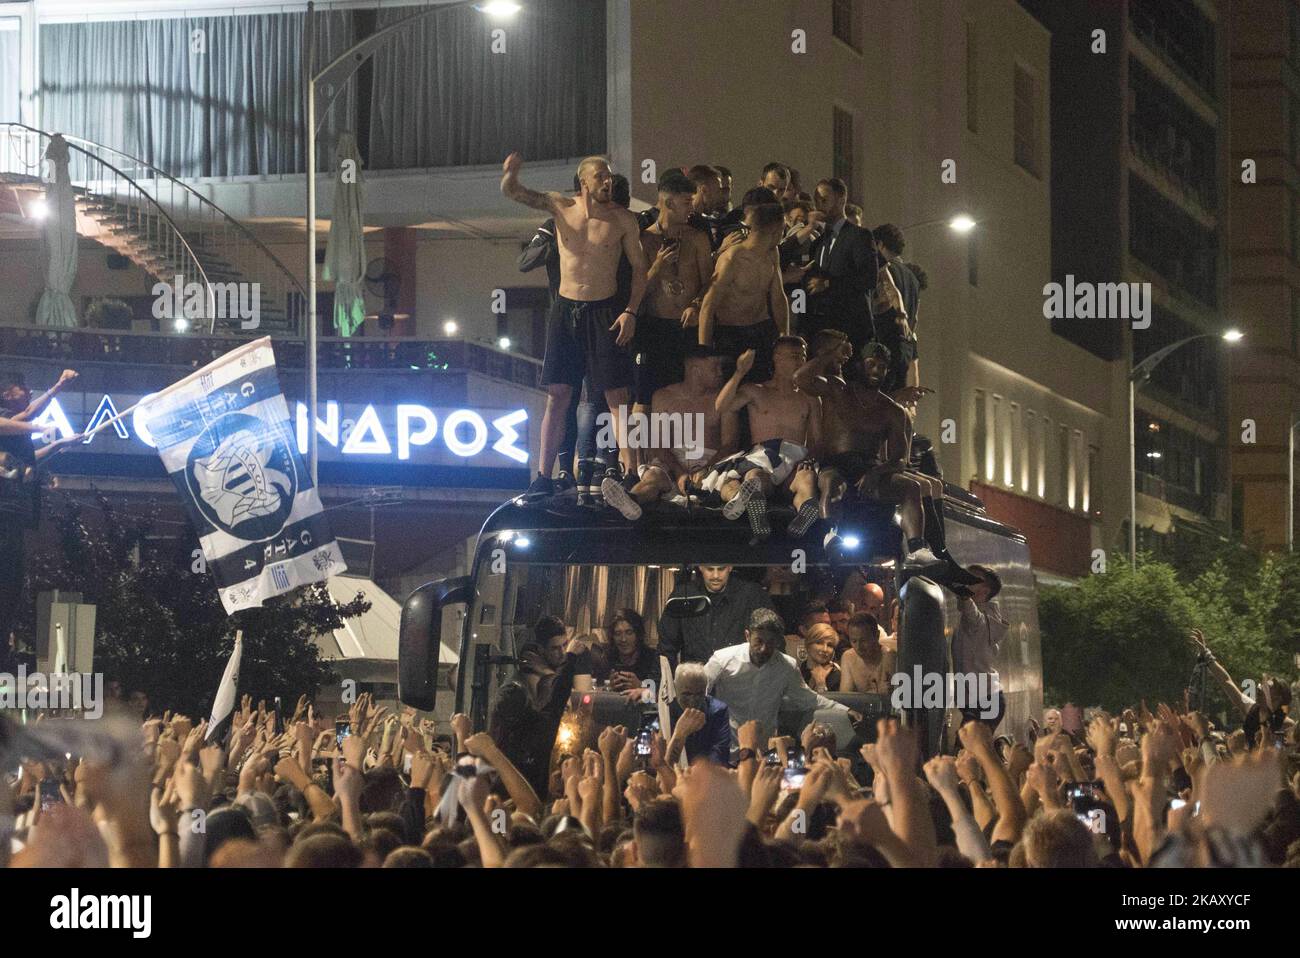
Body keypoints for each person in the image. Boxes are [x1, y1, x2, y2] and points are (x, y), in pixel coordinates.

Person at [500, 153, 648, 494]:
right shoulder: (559, 206)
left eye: (609, 177)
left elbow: (640, 270)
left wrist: (631, 312)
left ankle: (630, 474)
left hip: (605, 312)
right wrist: (510, 174)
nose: (607, 182)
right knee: (558, 394)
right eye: (600, 177)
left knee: (617, 396)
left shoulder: (623, 220)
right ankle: (543, 477)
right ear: (584, 182)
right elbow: (516, 193)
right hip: (566, 310)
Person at [794, 333, 969, 579]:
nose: (877, 371)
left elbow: (900, 459)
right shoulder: (838, 390)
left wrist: (876, 473)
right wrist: (828, 355)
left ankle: (918, 548)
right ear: (860, 365)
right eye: (871, 364)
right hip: (837, 464)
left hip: (870, 467)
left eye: (882, 367)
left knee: (911, 487)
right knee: (833, 484)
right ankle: (830, 533)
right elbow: (800, 379)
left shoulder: (894, 412)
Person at [599, 345, 738, 520]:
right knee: (653, 478)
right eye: (714, 367)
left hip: (711, 462)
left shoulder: (724, 399)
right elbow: (658, 445)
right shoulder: (664, 397)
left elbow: (730, 444)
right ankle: (631, 500)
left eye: (721, 367)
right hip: (672, 462)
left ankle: (739, 499)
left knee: (726, 481)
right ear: (696, 371)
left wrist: (706, 469)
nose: (720, 373)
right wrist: (679, 473)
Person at [704, 339, 822, 543]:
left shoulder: (810, 397)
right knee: (756, 476)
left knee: (807, 479)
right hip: (764, 456)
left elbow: (817, 440)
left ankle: (804, 514)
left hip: (796, 457)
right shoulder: (756, 390)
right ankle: (756, 512)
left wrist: (810, 459)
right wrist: (739, 372)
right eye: (794, 356)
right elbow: (722, 407)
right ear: (777, 358)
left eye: (803, 356)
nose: (800, 361)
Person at [1, 368, 78, 647]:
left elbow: (32, 457)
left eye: (17, 388)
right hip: (4, 514)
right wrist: (42, 425)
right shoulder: (8, 422)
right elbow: (24, 418)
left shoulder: (16, 434)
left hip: (15, 516)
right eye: (15, 389)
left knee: (12, 589)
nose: (9, 392)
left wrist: (58, 443)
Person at [703, 608, 858, 748]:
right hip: (724, 746)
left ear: (778, 641)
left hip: (763, 750)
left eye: (770, 643)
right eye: (759, 641)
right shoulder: (722, 659)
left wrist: (846, 710)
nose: (764, 649)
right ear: (747, 636)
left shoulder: (786, 666)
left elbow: (809, 699)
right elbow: (700, 691)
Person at [634, 169, 714, 416]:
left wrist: (697, 303)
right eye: (687, 202)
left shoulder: (698, 238)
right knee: (645, 396)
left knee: (689, 396)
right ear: (668, 203)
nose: (692, 207)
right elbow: (636, 293)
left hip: (687, 329)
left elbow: (711, 281)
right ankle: (639, 455)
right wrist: (657, 266)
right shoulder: (644, 239)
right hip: (654, 328)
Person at [488, 617, 591, 797]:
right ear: (541, 649)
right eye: (554, 648)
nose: (561, 653)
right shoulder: (521, 686)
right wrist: (570, 657)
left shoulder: (550, 673)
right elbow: (553, 705)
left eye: (564, 646)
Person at [698, 202, 789, 386]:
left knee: (763, 392)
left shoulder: (773, 253)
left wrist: (784, 337)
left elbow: (778, 297)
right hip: (731, 336)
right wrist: (705, 354)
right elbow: (708, 306)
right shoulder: (732, 259)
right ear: (777, 229)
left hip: (762, 332)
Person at [800, 177, 884, 354]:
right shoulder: (819, 241)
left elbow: (869, 278)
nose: (819, 205)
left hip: (850, 329)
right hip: (821, 330)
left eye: (824, 199)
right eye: (816, 200)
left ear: (841, 199)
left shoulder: (859, 236)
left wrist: (830, 283)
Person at [657, 564, 775, 671]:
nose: (716, 576)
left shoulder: (752, 594)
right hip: (696, 684)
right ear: (700, 567)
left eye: (721, 569)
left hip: (740, 683)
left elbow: (773, 640)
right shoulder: (683, 595)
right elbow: (666, 647)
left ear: (730, 567)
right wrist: (656, 686)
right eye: (710, 569)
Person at [951, 565, 1007, 730]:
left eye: (971, 579)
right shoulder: (980, 620)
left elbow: (971, 613)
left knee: (966, 753)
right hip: (979, 701)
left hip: (985, 701)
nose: (965, 580)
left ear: (984, 591)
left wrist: (963, 594)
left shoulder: (981, 621)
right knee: (972, 753)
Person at [871, 223, 921, 400]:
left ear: (880, 244)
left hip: (885, 341)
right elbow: (914, 319)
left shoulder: (882, 268)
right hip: (905, 346)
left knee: (879, 399)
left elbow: (882, 302)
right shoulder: (913, 280)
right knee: (896, 403)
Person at [666, 662, 731, 766]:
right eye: (687, 694)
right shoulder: (667, 710)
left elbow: (720, 753)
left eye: (699, 694)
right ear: (675, 688)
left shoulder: (718, 711)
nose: (693, 701)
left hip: (707, 773)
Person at [593, 609, 660, 698]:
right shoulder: (606, 658)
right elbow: (595, 694)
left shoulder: (652, 658)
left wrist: (641, 685)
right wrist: (608, 687)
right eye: (618, 633)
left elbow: (664, 698)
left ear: (637, 634)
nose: (623, 639)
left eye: (629, 633)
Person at [840, 612, 896, 695]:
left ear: (877, 635)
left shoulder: (890, 656)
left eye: (864, 640)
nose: (859, 647)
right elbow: (846, 696)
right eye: (854, 641)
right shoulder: (848, 657)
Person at [799, 623, 842, 692]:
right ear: (808, 645)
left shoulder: (836, 675)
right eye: (819, 643)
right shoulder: (799, 669)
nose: (825, 649)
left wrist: (821, 684)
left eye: (830, 645)